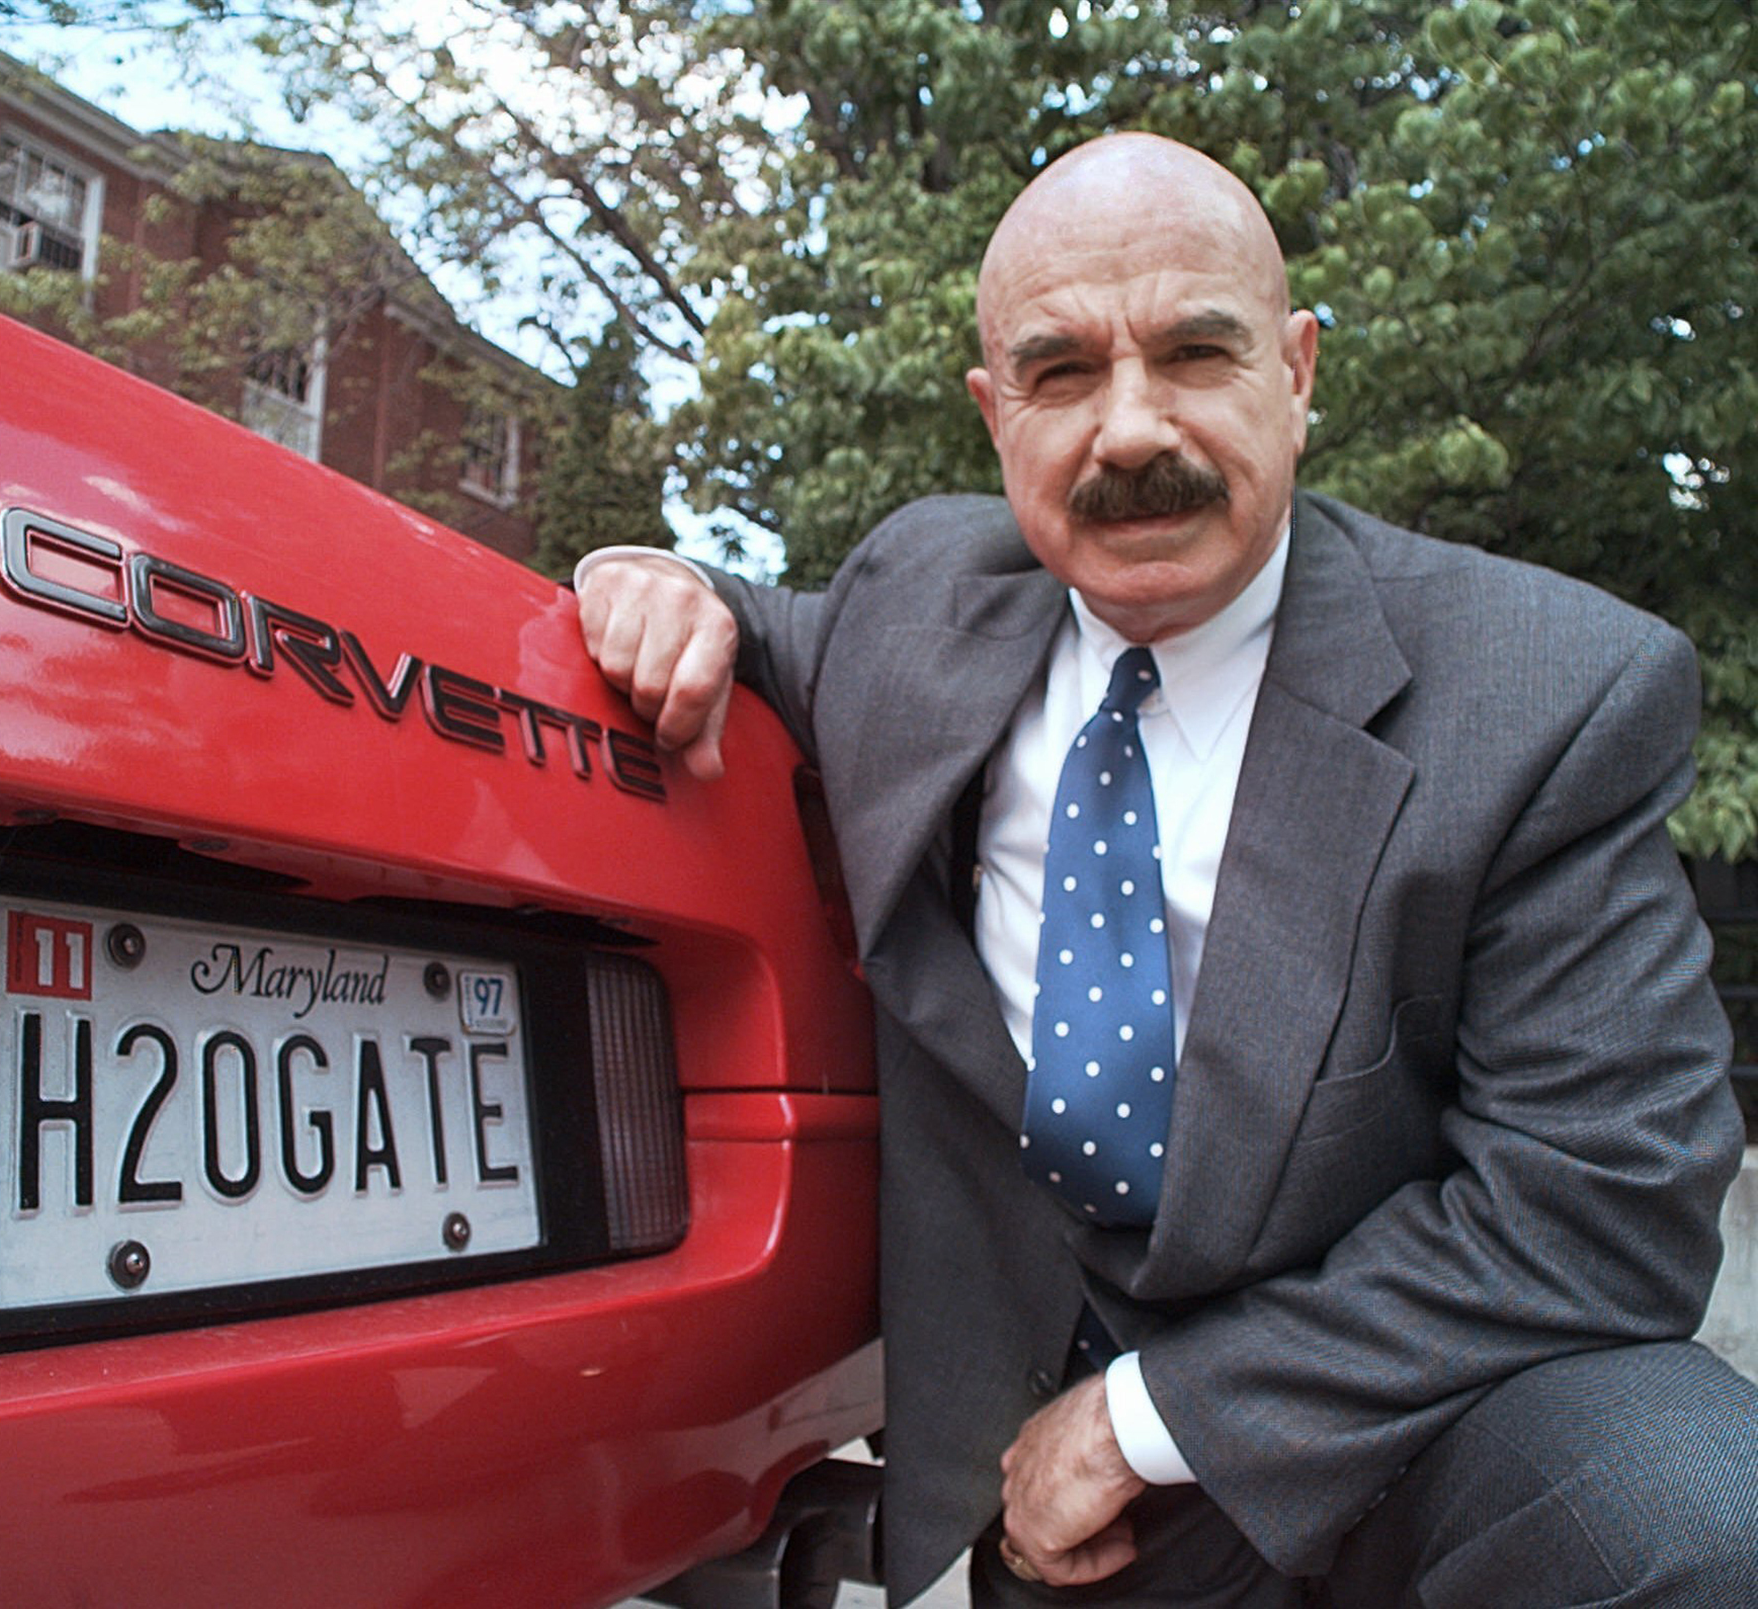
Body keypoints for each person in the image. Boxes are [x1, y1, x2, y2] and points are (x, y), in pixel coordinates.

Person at [575, 134, 1758, 1606]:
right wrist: (652, 579)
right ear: (994, 412)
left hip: (1410, 1430)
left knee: (1710, 1513)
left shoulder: (1542, 693)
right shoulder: (913, 602)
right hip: (1044, 1496)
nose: (1131, 432)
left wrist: (1154, 1419)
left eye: (1196, 352)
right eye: (1062, 373)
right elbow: (751, 623)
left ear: (1297, 371)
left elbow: (1608, 1195)